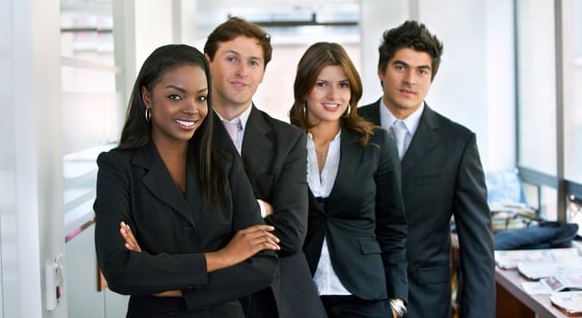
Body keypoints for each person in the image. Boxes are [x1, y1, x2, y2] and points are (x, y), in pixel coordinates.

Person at [94, 44, 280, 318]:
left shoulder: (225, 164)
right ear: (147, 96)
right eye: (175, 96)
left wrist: (164, 284)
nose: (191, 109)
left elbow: (263, 266)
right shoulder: (118, 167)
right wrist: (224, 257)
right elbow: (120, 270)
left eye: (201, 98)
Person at [358, 20, 495, 318]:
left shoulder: (458, 143)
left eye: (422, 71)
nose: (411, 80)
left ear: (431, 77)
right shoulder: (349, 129)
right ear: (381, 71)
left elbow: (477, 246)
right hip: (354, 295)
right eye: (400, 67)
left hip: (425, 301)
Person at [203, 17, 326, 318]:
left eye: (253, 63)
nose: (243, 72)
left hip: (277, 298)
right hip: (208, 297)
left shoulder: (289, 140)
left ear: (262, 73)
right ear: (207, 63)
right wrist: (263, 208)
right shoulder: (187, 134)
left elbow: (293, 233)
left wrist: (220, 228)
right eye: (231, 59)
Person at [289, 42, 408, 318]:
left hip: (365, 294)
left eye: (343, 85)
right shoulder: (284, 142)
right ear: (304, 88)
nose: (334, 95)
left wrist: (398, 299)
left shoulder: (376, 143)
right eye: (321, 84)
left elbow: (393, 226)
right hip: (300, 291)